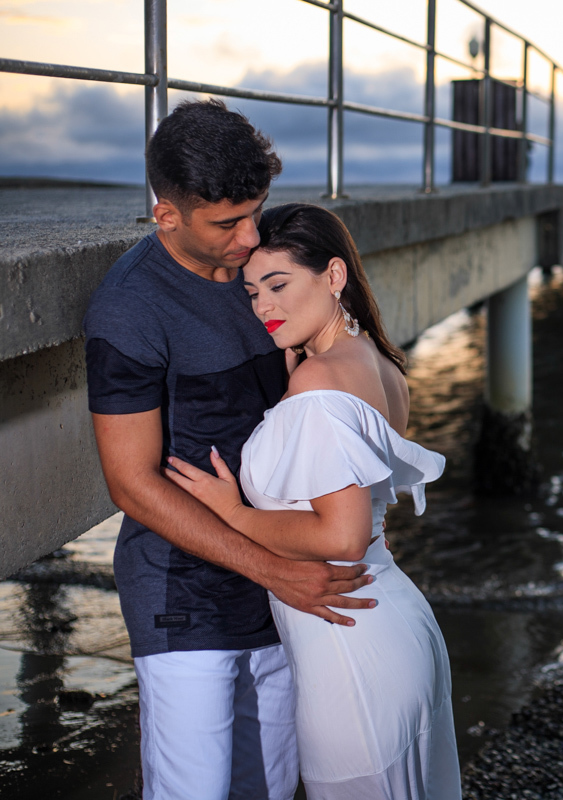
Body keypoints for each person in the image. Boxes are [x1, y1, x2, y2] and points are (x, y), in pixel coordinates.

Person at [84, 100, 375, 800]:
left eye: (258, 210)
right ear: (166, 215)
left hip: (281, 582)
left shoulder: (268, 263)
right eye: (227, 224)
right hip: (182, 591)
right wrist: (273, 566)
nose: (251, 237)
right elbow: (131, 484)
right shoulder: (131, 308)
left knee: (272, 786)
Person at [165, 203, 461, 800]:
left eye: (278, 285)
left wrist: (232, 513)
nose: (264, 307)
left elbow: (342, 536)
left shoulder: (318, 380)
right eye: (252, 292)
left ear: (333, 276)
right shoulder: (381, 366)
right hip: (387, 617)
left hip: (350, 640)